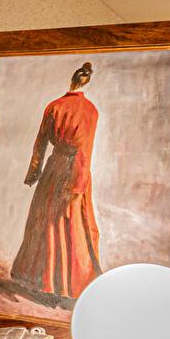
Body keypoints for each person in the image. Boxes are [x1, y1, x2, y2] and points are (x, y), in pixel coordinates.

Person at [10, 62, 102, 303]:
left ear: (73, 80)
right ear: (86, 82)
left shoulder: (54, 106)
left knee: (45, 221)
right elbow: (86, 150)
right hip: (77, 171)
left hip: (54, 169)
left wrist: (34, 172)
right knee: (71, 225)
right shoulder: (91, 110)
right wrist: (80, 183)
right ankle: (69, 285)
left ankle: (44, 281)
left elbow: (41, 142)